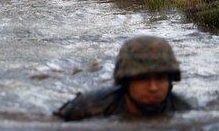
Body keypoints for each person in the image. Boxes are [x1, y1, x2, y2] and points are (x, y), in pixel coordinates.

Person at [54, 36, 192, 121]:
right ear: (126, 81)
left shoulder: (183, 110)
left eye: (161, 78)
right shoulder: (88, 106)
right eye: (142, 78)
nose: (153, 87)